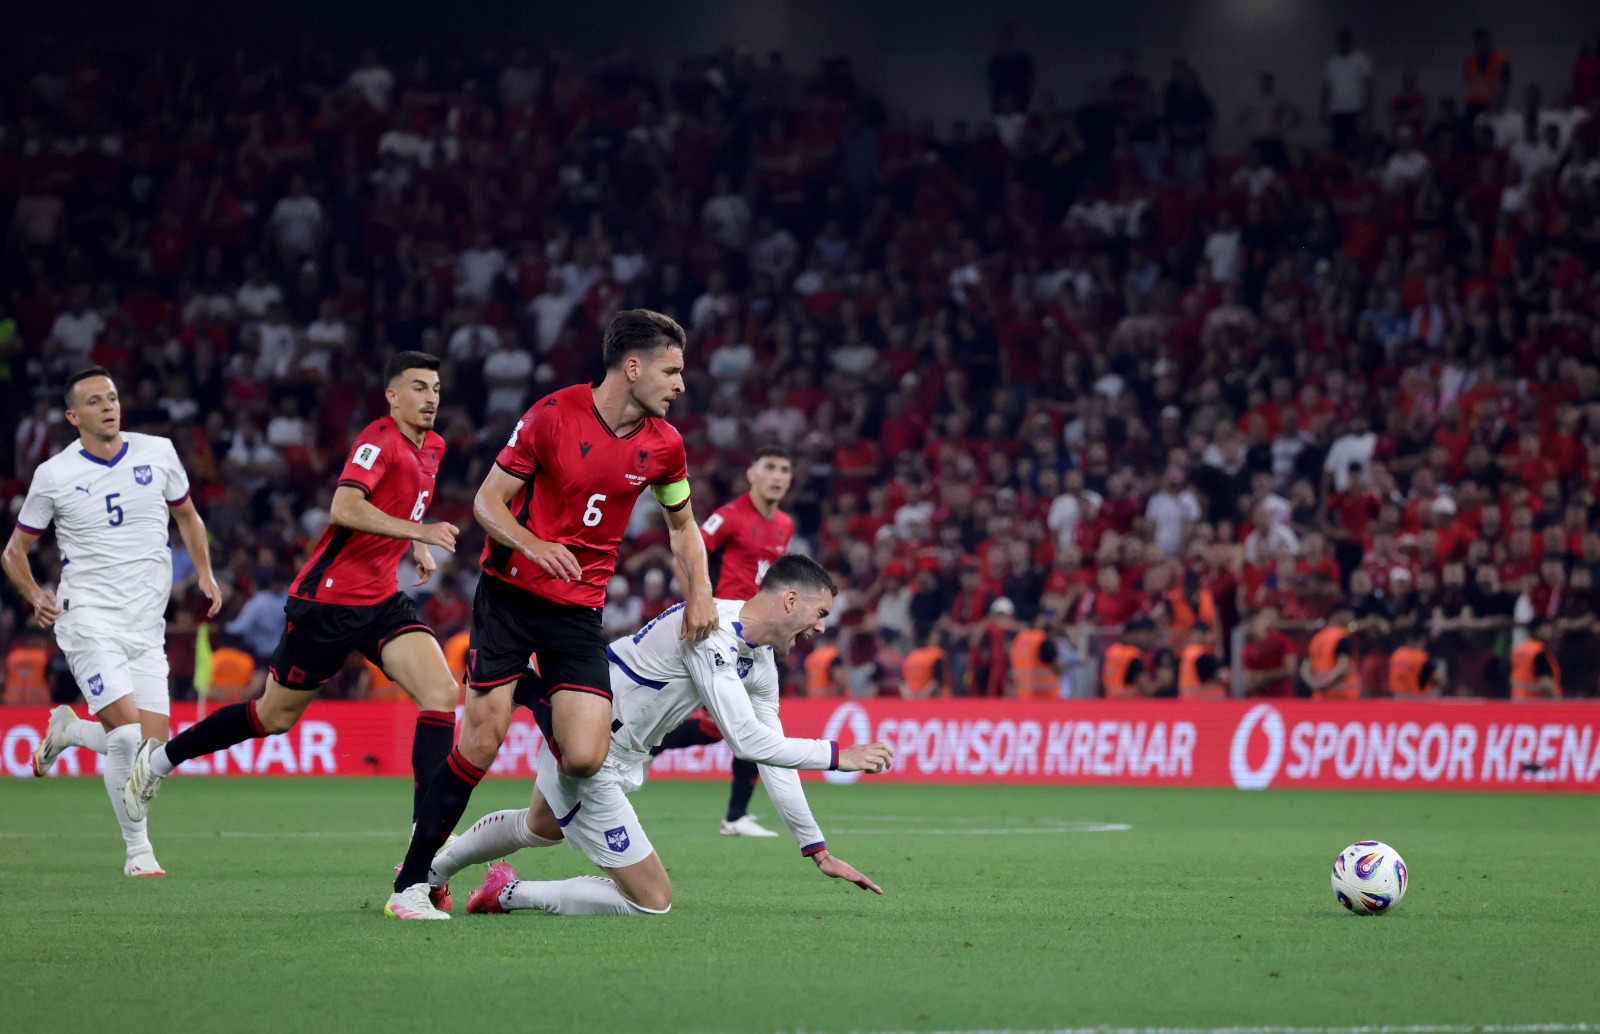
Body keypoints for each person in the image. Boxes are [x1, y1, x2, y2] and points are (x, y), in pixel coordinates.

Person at [388, 309, 719, 919]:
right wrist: (533, 544)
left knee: (586, 756)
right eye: (671, 372)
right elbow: (488, 501)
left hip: (578, 612)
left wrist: (700, 589)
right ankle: (409, 884)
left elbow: (683, 527)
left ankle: (525, 686)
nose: (679, 385)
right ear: (633, 367)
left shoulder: (665, 446)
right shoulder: (552, 415)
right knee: (481, 742)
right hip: (510, 597)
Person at [395, 555, 893, 921]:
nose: (821, 628)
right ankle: (508, 893)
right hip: (593, 751)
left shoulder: (759, 662)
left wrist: (816, 848)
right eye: (820, 613)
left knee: (539, 827)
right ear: (790, 600)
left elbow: (770, 753)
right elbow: (745, 741)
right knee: (652, 901)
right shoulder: (708, 628)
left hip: (601, 742)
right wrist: (837, 755)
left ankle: (430, 870)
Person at [123, 353, 461, 859]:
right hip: (327, 601)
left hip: (381, 598)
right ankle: (159, 761)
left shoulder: (433, 446)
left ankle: (424, 840)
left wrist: (414, 544)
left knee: (442, 693)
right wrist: (421, 531)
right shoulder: (378, 440)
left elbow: (402, 500)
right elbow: (344, 507)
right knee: (273, 716)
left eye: (435, 388)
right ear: (392, 396)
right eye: (418, 387)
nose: (430, 397)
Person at [5, 366, 221, 876]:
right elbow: (14, 551)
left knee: (153, 751)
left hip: (146, 625)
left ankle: (70, 731)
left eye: (113, 397)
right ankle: (138, 853)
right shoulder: (54, 475)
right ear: (72, 416)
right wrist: (35, 594)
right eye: (95, 401)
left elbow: (188, 517)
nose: (108, 407)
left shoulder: (158, 452)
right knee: (126, 738)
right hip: (88, 618)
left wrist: (206, 574)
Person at [650, 445, 796, 838]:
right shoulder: (728, 517)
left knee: (728, 727)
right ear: (751, 474)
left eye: (784, 469)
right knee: (742, 724)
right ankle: (732, 814)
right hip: (722, 629)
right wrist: (696, 605)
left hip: (757, 636)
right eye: (769, 467)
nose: (777, 476)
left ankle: (733, 814)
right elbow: (683, 554)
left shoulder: (784, 524)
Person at [1301, 603, 1361, 700]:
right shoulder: (1342, 637)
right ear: (1338, 615)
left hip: (1321, 696)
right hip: (1342, 695)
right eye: (1349, 614)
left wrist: (1313, 683)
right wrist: (1326, 681)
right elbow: (1343, 665)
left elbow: (1305, 666)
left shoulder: (1317, 638)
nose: (1351, 617)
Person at [1101, 617, 1157, 698]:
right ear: (1133, 634)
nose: (1146, 638)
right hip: (1129, 702)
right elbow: (1147, 688)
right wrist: (1162, 682)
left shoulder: (1112, 650)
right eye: (1144, 634)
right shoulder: (1131, 655)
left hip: (1110, 700)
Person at [1510, 617, 1560, 700]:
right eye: (1546, 627)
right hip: (1536, 701)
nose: (1550, 630)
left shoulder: (1520, 649)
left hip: (1517, 699)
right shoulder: (1538, 652)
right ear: (1537, 630)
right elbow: (1546, 684)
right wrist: (1557, 700)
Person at [1177, 620, 1228, 699]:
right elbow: (1224, 677)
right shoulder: (1202, 656)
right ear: (1201, 634)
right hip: (1203, 702)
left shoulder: (1188, 653)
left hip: (1186, 701)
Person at [1388, 628, 1442, 698]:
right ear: (1421, 640)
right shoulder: (1422, 658)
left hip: (1397, 697)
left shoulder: (1396, 655)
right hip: (1417, 699)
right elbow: (1439, 678)